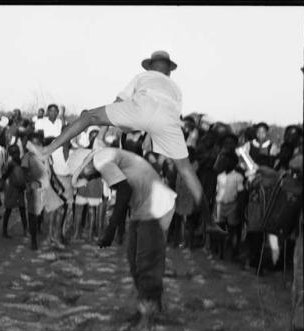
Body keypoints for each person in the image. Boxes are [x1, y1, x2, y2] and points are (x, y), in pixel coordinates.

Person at [27, 51, 226, 236]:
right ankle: (209, 220)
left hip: (142, 107)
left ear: (151, 67)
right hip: (167, 120)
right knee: (186, 170)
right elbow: (170, 118)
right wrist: (152, 137)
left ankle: (46, 150)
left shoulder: (143, 77)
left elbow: (118, 100)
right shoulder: (176, 89)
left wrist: (107, 128)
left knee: (89, 116)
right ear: (169, 71)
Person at [67, 147, 176, 331]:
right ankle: (149, 309)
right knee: (134, 261)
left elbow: (124, 190)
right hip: (142, 208)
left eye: (86, 175)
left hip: (155, 207)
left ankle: (147, 320)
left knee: (145, 264)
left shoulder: (101, 160)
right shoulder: (105, 160)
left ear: (86, 166)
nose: (89, 180)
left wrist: (110, 230)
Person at [22, 133, 64, 250]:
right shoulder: (28, 156)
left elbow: (51, 172)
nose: (38, 145)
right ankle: (34, 240)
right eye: (35, 143)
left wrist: (58, 184)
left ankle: (55, 236)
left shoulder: (46, 156)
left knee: (59, 209)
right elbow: (24, 172)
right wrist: (31, 182)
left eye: (39, 143)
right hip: (36, 189)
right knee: (34, 215)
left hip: (48, 187)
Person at [1, 144, 28, 238]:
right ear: (11, 154)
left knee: (22, 209)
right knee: (8, 209)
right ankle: (4, 231)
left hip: (19, 188)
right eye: (14, 153)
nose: (16, 154)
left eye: (17, 152)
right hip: (11, 189)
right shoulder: (10, 163)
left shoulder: (19, 162)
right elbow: (4, 176)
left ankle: (25, 230)